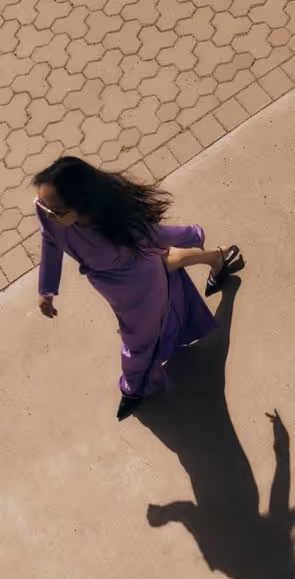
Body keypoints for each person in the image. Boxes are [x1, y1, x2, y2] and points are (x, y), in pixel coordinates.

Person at [33, 156, 240, 421]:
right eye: (43, 205)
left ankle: (133, 388)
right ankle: (215, 258)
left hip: (140, 286)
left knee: (138, 341)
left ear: (80, 204)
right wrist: (46, 289)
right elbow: (49, 239)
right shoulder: (47, 209)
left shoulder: (122, 225)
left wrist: (193, 234)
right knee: (162, 261)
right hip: (114, 282)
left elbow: (159, 235)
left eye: (56, 211)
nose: (47, 214)